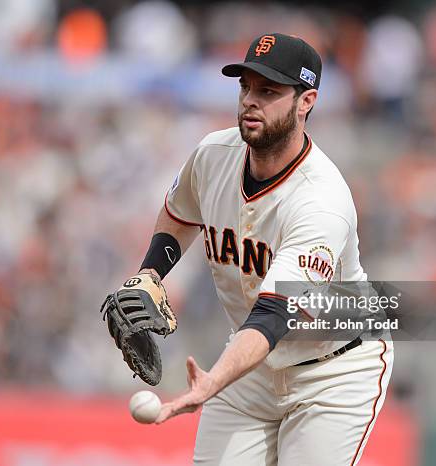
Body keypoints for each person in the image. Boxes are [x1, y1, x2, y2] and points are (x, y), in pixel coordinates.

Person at [126, 33, 393, 466]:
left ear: (306, 101)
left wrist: (212, 383)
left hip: (333, 369)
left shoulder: (321, 201)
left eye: (269, 91)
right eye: (246, 87)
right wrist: (150, 274)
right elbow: (180, 213)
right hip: (251, 363)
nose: (251, 101)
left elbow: (273, 316)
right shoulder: (213, 153)